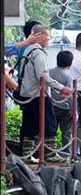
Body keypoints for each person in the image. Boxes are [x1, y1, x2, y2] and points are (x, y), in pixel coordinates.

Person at [18, 25, 71, 163]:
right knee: (50, 123)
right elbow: (43, 76)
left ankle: (27, 155)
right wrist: (61, 88)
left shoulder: (27, 50)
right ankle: (50, 154)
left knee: (30, 124)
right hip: (38, 94)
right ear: (40, 35)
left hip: (26, 93)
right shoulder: (38, 52)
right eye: (47, 36)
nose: (49, 39)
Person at [49, 51, 74, 155]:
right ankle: (66, 154)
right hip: (65, 108)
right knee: (66, 133)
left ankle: (50, 153)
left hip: (51, 106)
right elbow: (69, 95)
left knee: (51, 131)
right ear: (70, 63)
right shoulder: (68, 76)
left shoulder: (49, 72)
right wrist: (74, 111)